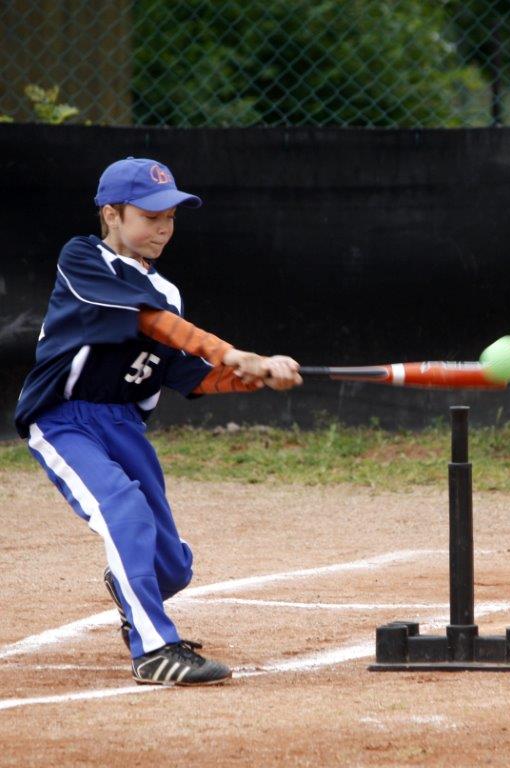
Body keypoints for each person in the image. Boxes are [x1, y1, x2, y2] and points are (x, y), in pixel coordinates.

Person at [14, 156, 303, 684]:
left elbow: (186, 373)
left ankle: (130, 588)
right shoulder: (83, 259)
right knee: (124, 510)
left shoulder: (167, 293)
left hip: (124, 425)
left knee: (172, 565)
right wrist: (231, 352)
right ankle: (154, 650)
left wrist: (254, 375)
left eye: (169, 216)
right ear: (112, 215)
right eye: (149, 216)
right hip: (64, 420)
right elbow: (150, 322)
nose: (163, 228)